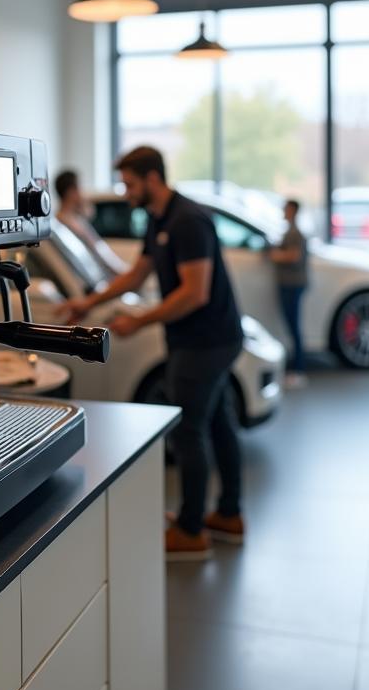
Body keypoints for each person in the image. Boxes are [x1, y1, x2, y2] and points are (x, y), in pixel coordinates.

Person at [64, 147, 245, 560]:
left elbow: (194, 293)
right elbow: (138, 273)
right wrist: (88, 304)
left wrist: (140, 322)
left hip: (208, 341)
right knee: (218, 424)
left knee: (189, 431)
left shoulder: (188, 221)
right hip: (198, 339)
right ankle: (229, 516)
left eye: (130, 184)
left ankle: (191, 530)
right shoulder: (161, 219)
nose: (126, 194)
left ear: (152, 178)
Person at [54, 169, 128, 276]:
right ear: (71, 192)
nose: (83, 193)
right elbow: (99, 252)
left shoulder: (73, 220)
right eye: (80, 188)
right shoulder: (67, 224)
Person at [269, 199, 308, 387]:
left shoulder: (294, 234)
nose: (283, 211)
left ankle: (298, 369)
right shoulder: (290, 232)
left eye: (286, 208)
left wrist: (274, 254)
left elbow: (293, 256)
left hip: (292, 284)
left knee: (294, 326)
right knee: (291, 325)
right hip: (290, 284)